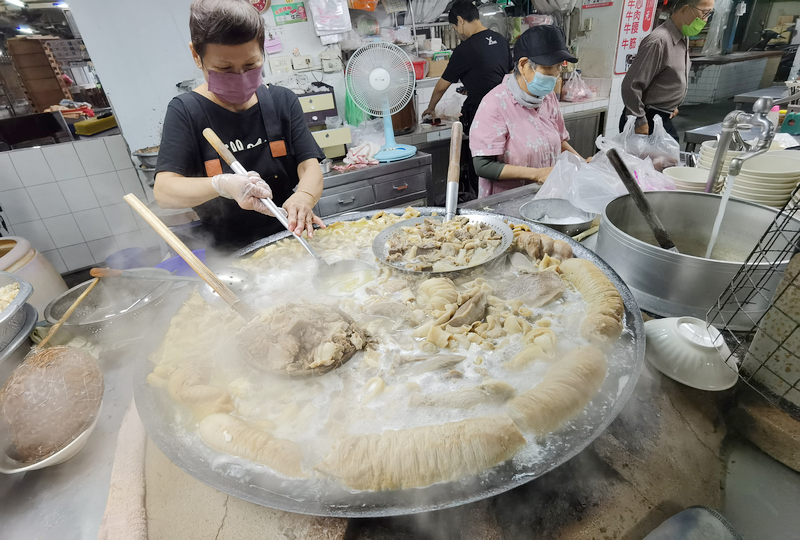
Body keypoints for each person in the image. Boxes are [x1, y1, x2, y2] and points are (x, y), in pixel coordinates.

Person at [154, 0, 326, 251]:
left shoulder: (282, 101)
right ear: (196, 56)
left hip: (295, 237)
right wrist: (221, 184)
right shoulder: (186, 112)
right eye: (224, 69)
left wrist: (304, 196)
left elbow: (309, 165)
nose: (241, 78)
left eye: (251, 65)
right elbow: (164, 191)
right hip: (231, 253)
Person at [469, 25, 583, 198]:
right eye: (548, 68)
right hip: (507, 204)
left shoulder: (548, 98)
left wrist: (582, 164)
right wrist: (536, 174)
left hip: (545, 196)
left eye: (559, 66)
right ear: (523, 65)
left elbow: (559, 141)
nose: (555, 74)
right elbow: (483, 166)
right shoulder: (495, 104)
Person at [620, 0, 715, 139]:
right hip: (646, 118)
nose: (705, 19)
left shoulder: (682, 37)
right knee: (654, 159)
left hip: (661, 116)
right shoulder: (658, 41)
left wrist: (671, 105)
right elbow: (630, 85)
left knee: (670, 156)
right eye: (704, 13)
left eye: (709, 14)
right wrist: (639, 120)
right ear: (685, 9)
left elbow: (667, 78)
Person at [421, 0, 511, 133]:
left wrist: (430, 108)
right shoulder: (501, 39)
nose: (457, 32)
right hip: (506, 113)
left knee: (483, 152)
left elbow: (441, 87)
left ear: (460, 20)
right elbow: (508, 75)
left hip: (483, 116)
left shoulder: (464, 49)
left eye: (454, 27)